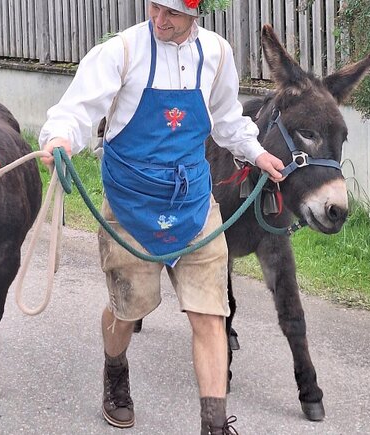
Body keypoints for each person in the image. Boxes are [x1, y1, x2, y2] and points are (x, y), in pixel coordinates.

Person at [39, 1, 285, 433]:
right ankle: (115, 370)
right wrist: (60, 137)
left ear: (197, 11)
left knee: (211, 313)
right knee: (128, 310)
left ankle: (214, 424)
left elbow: (227, 120)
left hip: (193, 203)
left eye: (172, 11)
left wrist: (257, 152)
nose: (159, 18)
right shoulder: (122, 51)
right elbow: (78, 107)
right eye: (155, 5)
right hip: (131, 204)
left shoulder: (217, 53)